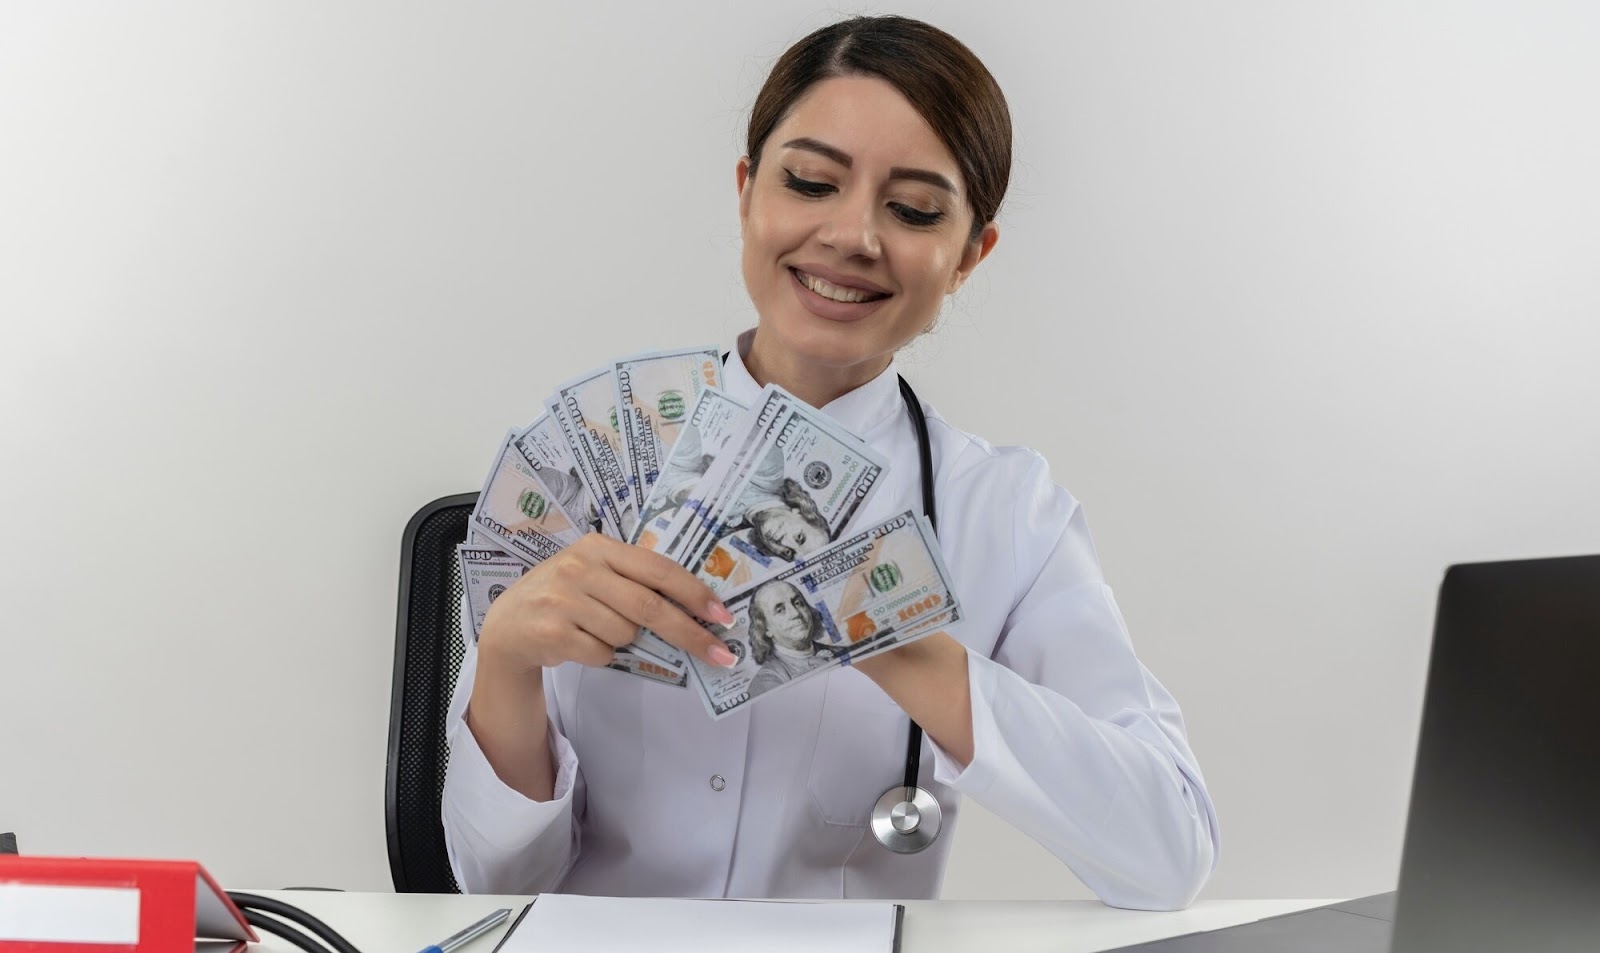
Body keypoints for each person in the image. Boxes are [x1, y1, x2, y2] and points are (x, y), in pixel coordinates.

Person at [442, 15, 1219, 908]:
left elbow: (1169, 850)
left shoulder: (1007, 514)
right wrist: (505, 663)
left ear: (969, 255)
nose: (853, 235)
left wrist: (909, 648)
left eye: (915, 209)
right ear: (746, 194)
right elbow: (492, 885)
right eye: (810, 182)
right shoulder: (592, 462)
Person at [744, 580, 845, 697]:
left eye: (797, 603)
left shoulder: (841, 652)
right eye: (780, 610)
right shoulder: (767, 681)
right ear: (766, 629)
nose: (795, 613)